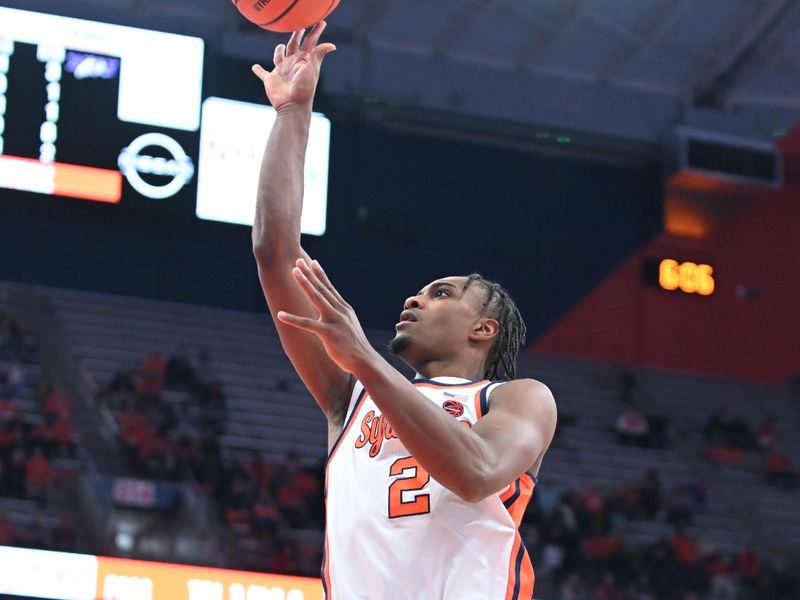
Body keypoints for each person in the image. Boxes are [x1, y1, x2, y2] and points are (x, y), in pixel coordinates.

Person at [250, 22, 558, 600]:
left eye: (442, 293)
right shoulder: (351, 397)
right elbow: (274, 253)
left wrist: (364, 358)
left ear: (483, 328)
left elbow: (474, 472)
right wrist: (293, 114)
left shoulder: (517, 399)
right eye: (419, 291)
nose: (414, 298)